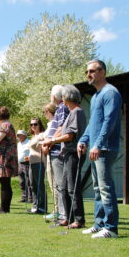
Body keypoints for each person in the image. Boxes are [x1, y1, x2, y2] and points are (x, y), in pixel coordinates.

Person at [77, 59, 122, 238]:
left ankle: (111, 228)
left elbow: (109, 121)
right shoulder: (96, 96)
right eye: (87, 71)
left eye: (93, 71)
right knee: (97, 188)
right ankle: (99, 223)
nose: (89, 74)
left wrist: (98, 144)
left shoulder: (110, 93)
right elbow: (92, 124)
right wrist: (84, 139)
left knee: (105, 188)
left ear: (103, 72)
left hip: (105, 148)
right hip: (95, 147)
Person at [43, 85, 87, 228]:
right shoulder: (72, 112)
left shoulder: (77, 112)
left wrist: (52, 140)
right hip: (67, 153)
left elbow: (70, 135)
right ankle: (68, 217)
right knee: (64, 186)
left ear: (66, 97)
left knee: (73, 187)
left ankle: (79, 220)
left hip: (74, 152)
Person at [45, 85, 70, 222]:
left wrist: (50, 141)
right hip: (54, 149)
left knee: (60, 185)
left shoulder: (61, 108)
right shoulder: (61, 108)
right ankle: (62, 214)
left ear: (54, 96)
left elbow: (62, 128)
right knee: (58, 185)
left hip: (58, 150)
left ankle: (63, 215)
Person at [42, 102, 58, 220]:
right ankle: (57, 210)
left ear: (49, 112)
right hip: (49, 156)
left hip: (53, 155)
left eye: (45, 112)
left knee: (54, 185)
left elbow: (51, 139)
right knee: (52, 185)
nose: (44, 115)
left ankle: (57, 211)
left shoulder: (54, 123)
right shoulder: (50, 124)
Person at [28, 117, 46, 214]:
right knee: (32, 185)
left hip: (39, 163)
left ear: (39, 125)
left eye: (35, 124)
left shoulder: (42, 135)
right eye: (31, 124)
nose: (33, 126)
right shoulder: (33, 136)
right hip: (31, 163)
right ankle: (35, 205)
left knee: (40, 185)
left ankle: (43, 206)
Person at [16, 130, 32, 203]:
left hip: (27, 163)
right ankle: (24, 197)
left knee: (29, 181)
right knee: (22, 181)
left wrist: (28, 158)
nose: (18, 137)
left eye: (20, 135)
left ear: (25, 135)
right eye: (18, 135)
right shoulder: (18, 144)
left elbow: (32, 152)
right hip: (20, 164)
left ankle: (30, 197)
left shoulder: (29, 142)